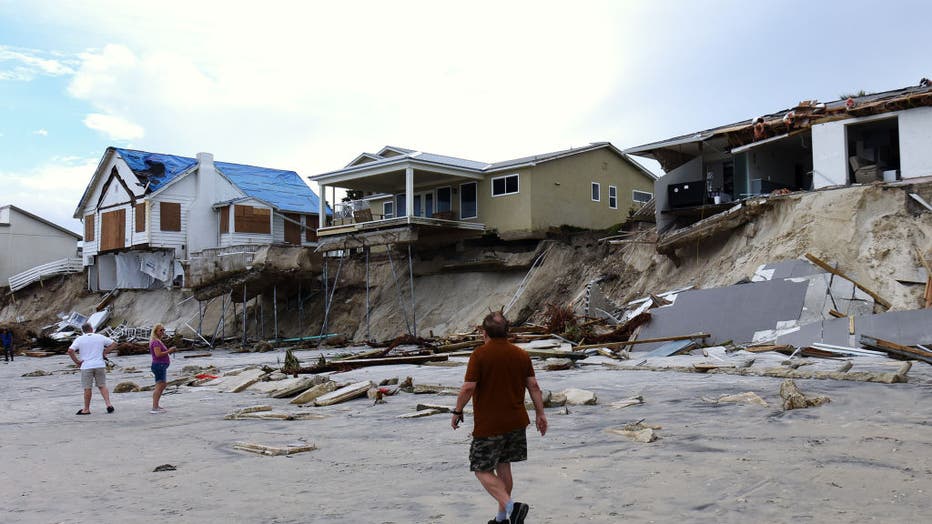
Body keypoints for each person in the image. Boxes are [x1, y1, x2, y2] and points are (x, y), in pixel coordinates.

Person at [452, 311, 548, 524]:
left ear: (484, 333)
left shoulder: (479, 355)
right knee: (504, 466)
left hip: (490, 425)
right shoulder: (521, 355)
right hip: (516, 423)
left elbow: (468, 387)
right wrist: (540, 414)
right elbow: (534, 386)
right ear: (507, 332)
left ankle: (513, 508)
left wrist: (457, 411)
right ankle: (501, 518)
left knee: (481, 469)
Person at [67, 322, 117, 415]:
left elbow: (70, 350)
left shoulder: (80, 339)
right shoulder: (100, 337)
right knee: (102, 385)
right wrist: (105, 352)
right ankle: (108, 405)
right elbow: (114, 344)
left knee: (87, 388)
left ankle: (86, 409)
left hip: (86, 366)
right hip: (99, 364)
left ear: (83, 330)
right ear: (92, 329)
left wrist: (77, 362)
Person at [149, 323, 177, 414]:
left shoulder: (158, 341)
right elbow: (158, 354)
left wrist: (168, 351)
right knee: (160, 385)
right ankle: (154, 407)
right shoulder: (156, 342)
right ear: (155, 331)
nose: (163, 332)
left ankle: (156, 405)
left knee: (161, 385)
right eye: (161, 330)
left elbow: (161, 353)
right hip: (159, 365)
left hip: (160, 365)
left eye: (163, 330)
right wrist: (169, 351)